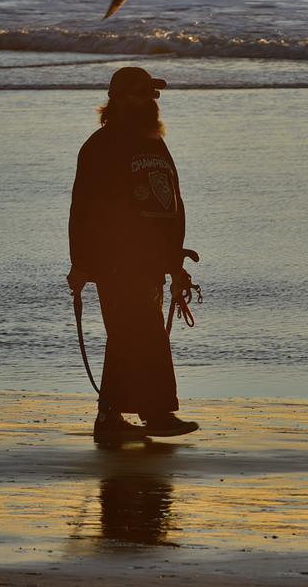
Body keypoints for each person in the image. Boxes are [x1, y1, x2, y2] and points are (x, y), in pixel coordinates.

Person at [67, 66, 200, 443]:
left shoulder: (154, 142)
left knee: (128, 334)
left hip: (152, 262)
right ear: (119, 99)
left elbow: (173, 202)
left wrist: (174, 259)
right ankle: (157, 414)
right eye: (143, 93)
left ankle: (110, 416)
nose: (152, 101)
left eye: (154, 94)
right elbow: (84, 210)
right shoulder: (101, 146)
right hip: (116, 261)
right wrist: (82, 264)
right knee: (143, 331)